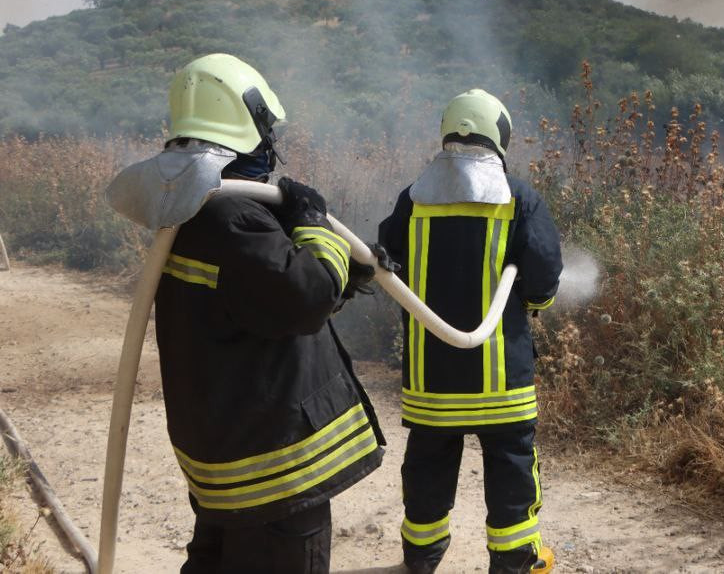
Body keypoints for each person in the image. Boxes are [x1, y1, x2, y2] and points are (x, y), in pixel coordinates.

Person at [153, 53, 384, 573]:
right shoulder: (232, 214)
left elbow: (259, 297)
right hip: (274, 474)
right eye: (266, 131)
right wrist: (313, 224)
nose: (271, 145)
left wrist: (352, 266)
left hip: (228, 455)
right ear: (246, 127)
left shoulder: (187, 208)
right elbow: (304, 296)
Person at [378, 89, 562, 574]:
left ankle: (420, 556)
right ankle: (516, 561)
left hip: (430, 378)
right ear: (500, 136)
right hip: (502, 380)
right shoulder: (519, 198)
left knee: (427, 468)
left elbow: (383, 264)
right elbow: (543, 277)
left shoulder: (412, 198)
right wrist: (535, 304)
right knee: (511, 468)